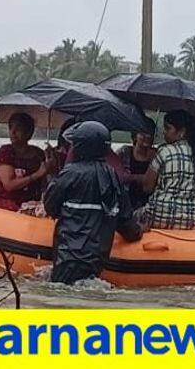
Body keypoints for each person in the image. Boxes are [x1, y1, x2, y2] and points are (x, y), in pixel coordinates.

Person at [43, 121, 143, 284]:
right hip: (95, 263)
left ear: (81, 146)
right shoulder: (113, 178)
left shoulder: (70, 173)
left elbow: (50, 206)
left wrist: (52, 174)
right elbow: (126, 223)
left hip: (67, 259)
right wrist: (139, 231)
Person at [0, 113, 49, 211]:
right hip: (5, 204)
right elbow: (9, 185)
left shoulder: (38, 154)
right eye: (11, 128)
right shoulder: (6, 152)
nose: (13, 132)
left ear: (29, 132)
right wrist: (36, 175)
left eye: (18, 128)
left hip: (31, 204)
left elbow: (45, 184)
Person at [117, 128, 157, 210]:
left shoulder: (158, 155)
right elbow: (118, 176)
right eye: (143, 133)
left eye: (151, 133)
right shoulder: (124, 152)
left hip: (150, 205)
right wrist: (143, 178)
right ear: (135, 136)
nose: (148, 136)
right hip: (126, 202)